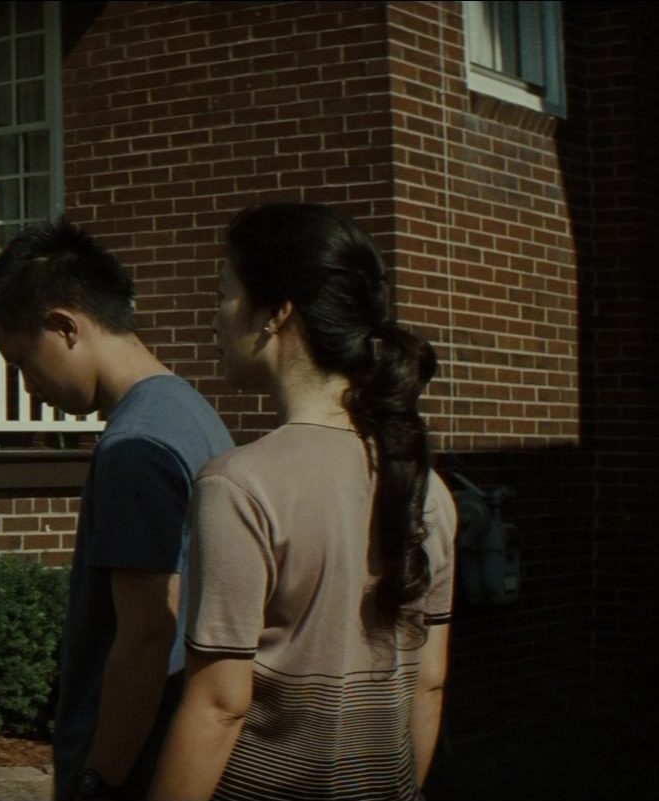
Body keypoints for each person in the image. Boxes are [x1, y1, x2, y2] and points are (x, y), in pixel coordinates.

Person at [149, 203, 456, 801]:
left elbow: (218, 706)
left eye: (224, 295)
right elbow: (430, 680)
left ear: (276, 313)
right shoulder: (429, 490)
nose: (214, 319)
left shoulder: (239, 486)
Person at [0, 219, 234, 801]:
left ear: (65, 327)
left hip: (137, 768)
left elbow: (146, 635)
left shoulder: (134, 446)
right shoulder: (191, 412)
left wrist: (99, 776)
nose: (28, 386)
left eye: (23, 362)